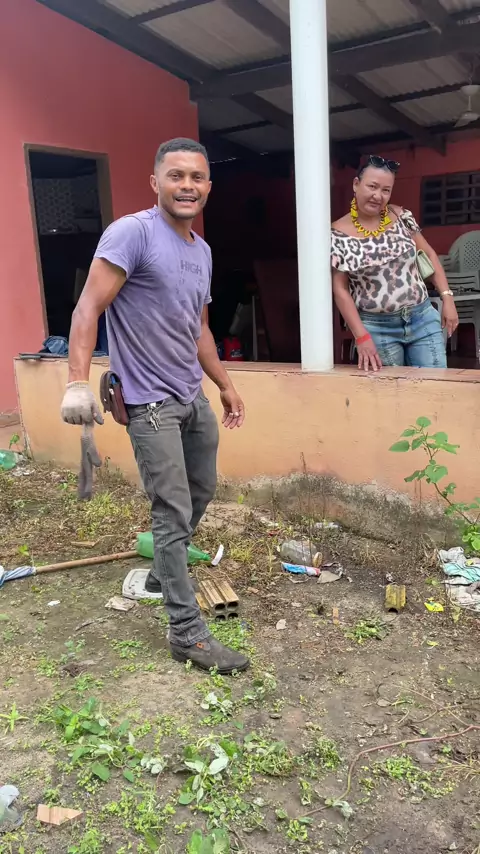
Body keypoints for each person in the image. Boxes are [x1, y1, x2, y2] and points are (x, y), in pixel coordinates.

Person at [60, 138, 249, 675]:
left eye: (197, 177)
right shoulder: (133, 233)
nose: (187, 186)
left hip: (191, 395)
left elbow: (199, 329)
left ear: (208, 186)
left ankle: (163, 572)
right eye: (176, 176)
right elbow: (88, 307)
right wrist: (76, 383)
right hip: (149, 403)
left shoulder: (201, 251)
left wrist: (224, 384)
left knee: (200, 490)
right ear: (155, 183)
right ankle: (186, 632)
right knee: (171, 510)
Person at [331, 155, 458, 371]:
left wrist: (447, 298)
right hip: (377, 327)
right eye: (372, 186)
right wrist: (361, 336)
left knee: (435, 385)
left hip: (422, 318)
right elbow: (340, 289)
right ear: (356, 184)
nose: (377, 196)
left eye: (386, 190)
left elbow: (428, 254)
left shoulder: (401, 216)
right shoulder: (337, 233)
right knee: (391, 390)